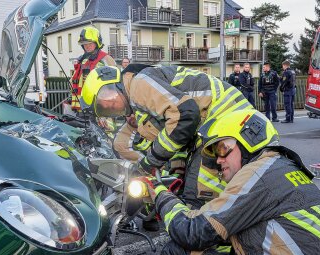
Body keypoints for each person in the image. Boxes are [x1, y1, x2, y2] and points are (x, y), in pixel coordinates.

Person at [139, 109, 320, 255]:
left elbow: (192, 232)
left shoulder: (258, 173)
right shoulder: (282, 169)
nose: (219, 161)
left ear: (250, 138)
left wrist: (160, 194)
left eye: (222, 149)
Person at [81, 65, 254, 209]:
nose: (111, 108)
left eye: (108, 101)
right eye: (104, 109)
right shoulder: (141, 110)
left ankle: (212, 248)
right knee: (209, 195)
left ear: (113, 86)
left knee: (199, 199)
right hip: (224, 123)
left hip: (225, 118)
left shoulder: (137, 85)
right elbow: (178, 135)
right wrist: (177, 170)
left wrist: (151, 161)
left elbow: (186, 115)